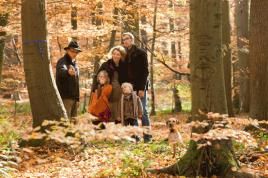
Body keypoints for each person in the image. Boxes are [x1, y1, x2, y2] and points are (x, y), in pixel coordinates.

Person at [121, 32, 152, 142]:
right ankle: (135, 137)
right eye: (123, 39)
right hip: (128, 88)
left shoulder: (141, 53)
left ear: (132, 40)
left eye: (127, 38)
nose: (125, 41)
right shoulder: (123, 55)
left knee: (143, 111)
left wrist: (141, 88)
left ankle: (148, 137)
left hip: (140, 87)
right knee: (131, 113)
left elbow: (145, 72)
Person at [92, 46, 127, 123]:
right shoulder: (106, 64)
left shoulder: (124, 65)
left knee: (118, 113)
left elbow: (127, 78)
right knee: (107, 111)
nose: (115, 56)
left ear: (121, 55)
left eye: (118, 54)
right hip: (108, 90)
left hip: (119, 91)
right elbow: (97, 76)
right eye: (114, 54)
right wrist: (95, 89)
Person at [56, 41, 82, 118]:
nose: (74, 53)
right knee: (66, 121)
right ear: (67, 50)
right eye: (72, 51)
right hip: (65, 98)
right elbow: (61, 71)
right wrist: (67, 72)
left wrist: (77, 99)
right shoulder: (62, 61)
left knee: (74, 122)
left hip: (74, 98)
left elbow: (76, 83)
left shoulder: (75, 64)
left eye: (76, 52)